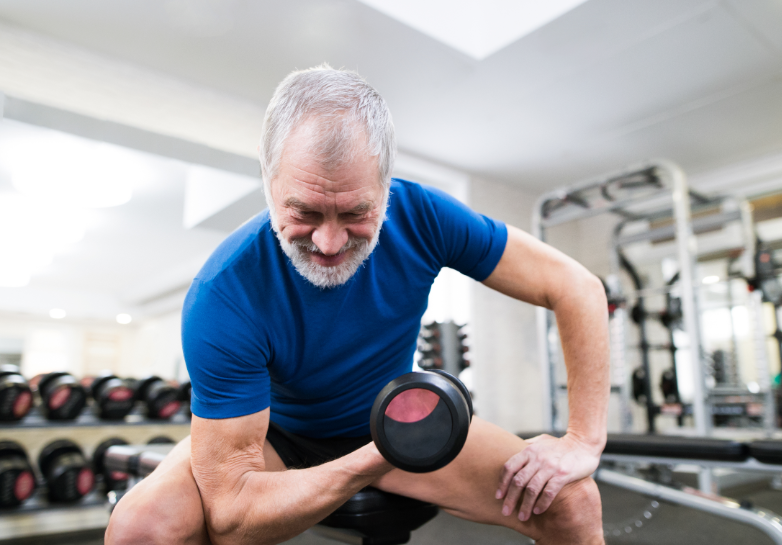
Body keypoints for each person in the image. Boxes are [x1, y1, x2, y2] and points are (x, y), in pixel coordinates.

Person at [106, 65, 609, 545]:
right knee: (143, 528)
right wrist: (379, 456)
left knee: (572, 501)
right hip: (274, 435)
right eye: (304, 212)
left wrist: (583, 440)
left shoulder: (425, 217)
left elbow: (577, 288)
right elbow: (234, 518)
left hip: (392, 413)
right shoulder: (223, 293)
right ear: (268, 178)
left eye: (355, 212)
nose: (328, 242)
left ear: (386, 185)